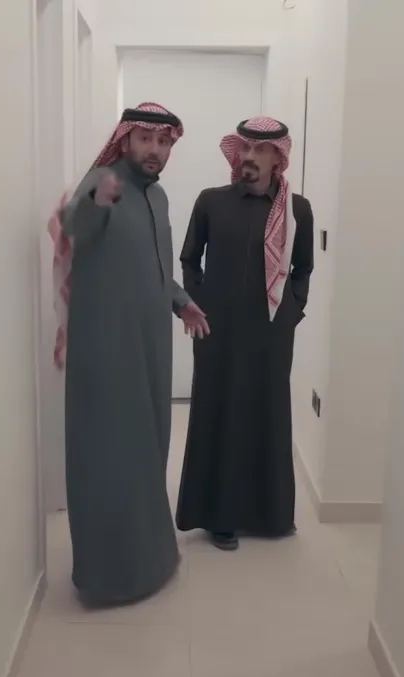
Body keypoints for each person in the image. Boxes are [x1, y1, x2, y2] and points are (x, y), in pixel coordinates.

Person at [48, 102, 210, 604]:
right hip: (106, 351)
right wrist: (97, 201)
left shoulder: (157, 196)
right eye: (145, 140)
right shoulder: (103, 178)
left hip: (150, 347)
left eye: (163, 142)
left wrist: (181, 302)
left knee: (148, 451)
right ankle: (107, 578)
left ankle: (151, 562)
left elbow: (158, 266)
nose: (154, 150)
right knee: (109, 458)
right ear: (127, 140)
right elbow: (72, 225)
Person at [174, 116, 314, 550]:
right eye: (246, 148)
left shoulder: (297, 210)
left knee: (265, 414)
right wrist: (199, 303)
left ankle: (269, 514)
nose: (250, 157)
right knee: (221, 415)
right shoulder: (211, 202)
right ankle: (220, 517)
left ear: (278, 158)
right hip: (218, 331)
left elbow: (303, 268)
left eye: (261, 150)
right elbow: (189, 259)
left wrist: (291, 312)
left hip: (271, 334)